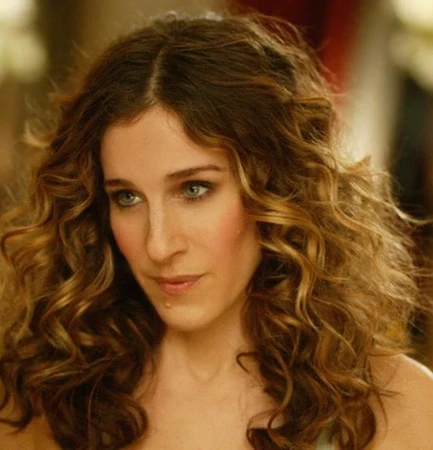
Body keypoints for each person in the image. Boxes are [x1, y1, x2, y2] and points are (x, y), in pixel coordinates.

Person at [0, 10, 432, 450]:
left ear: (277, 187)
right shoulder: (42, 401)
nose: (158, 245)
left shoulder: (402, 410)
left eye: (194, 189)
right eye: (127, 197)